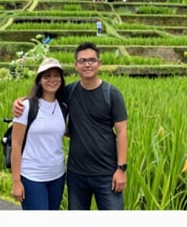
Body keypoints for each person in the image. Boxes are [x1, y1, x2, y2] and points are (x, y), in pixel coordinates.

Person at [14, 43, 129, 210]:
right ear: (76, 65)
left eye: (92, 60)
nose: (87, 64)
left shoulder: (112, 94)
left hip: (107, 174)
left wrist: (121, 169)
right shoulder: (70, 92)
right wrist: (20, 101)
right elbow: (45, 97)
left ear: (99, 63)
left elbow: (122, 133)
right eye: (82, 60)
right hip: (77, 174)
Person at [10, 58, 68, 210]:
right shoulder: (26, 107)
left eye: (56, 76)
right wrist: (16, 182)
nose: (52, 80)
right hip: (32, 176)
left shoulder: (63, 107)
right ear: (39, 80)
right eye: (47, 76)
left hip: (58, 176)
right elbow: (16, 144)